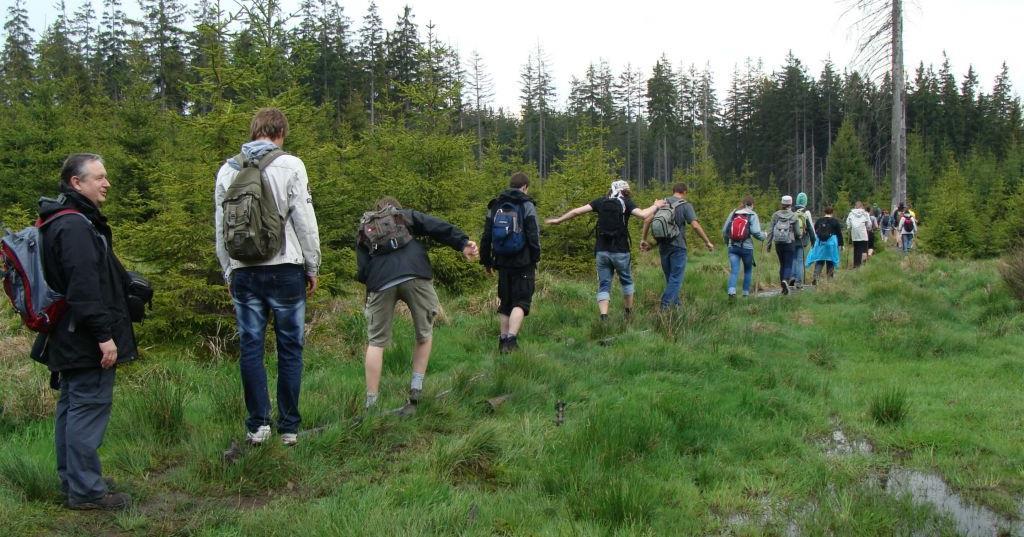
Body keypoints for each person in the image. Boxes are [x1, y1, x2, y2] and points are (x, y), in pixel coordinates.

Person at [29, 154, 137, 510]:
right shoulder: (75, 226)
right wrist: (104, 337)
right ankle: (87, 492)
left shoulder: (58, 220)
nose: (106, 183)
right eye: (99, 177)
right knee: (88, 407)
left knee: (72, 406)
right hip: (83, 336)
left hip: (66, 333)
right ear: (77, 183)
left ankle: (74, 480)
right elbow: (84, 288)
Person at [215, 108, 321, 447]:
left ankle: (257, 426)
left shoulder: (227, 170)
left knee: (251, 347)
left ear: (253, 132)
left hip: (244, 271)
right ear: (281, 134)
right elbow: (304, 219)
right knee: (290, 348)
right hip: (285, 268)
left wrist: (228, 269)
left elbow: (220, 228)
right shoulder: (291, 165)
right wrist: (312, 265)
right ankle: (289, 428)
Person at [357, 197, 478, 415]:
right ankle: (416, 389)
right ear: (395, 208)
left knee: (376, 342)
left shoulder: (366, 229)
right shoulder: (404, 216)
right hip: (416, 273)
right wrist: (462, 243)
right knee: (424, 333)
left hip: (380, 281)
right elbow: (435, 226)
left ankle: (371, 404)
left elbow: (362, 270)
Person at [545, 180, 665, 320]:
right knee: (626, 280)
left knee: (604, 283)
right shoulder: (626, 202)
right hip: (621, 250)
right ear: (625, 191)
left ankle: (604, 317)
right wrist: (656, 205)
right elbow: (644, 215)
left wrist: (559, 220)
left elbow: (577, 211)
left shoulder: (600, 201)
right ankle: (628, 313)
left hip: (602, 250)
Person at [480, 172, 541, 353]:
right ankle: (511, 341)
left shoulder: (496, 205)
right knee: (521, 302)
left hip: (502, 261)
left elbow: (486, 236)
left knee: (505, 302)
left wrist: (486, 261)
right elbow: (533, 234)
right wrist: (535, 257)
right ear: (525, 187)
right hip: (523, 261)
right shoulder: (526, 204)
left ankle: (502, 340)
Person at [639, 182, 714, 309]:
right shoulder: (685, 205)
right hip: (678, 246)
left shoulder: (661, 203)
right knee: (676, 279)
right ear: (684, 192)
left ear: (673, 191)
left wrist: (644, 239)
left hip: (663, 246)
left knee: (671, 279)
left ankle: (677, 306)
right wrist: (707, 241)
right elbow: (695, 225)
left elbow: (646, 220)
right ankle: (665, 306)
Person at [720, 195, 765, 298]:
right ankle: (745, 294)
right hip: (747, 248)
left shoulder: (733, 213)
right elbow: (755, 232)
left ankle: (731, 291)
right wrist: (764, 236)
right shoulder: (752, 214)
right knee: (748, 270)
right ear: (752, 205)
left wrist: (728, 243)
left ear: (742, 203)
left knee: (734, 270)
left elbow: (724, 231)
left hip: (733, 247)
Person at [766, 195, 801, 295]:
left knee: (782, 264)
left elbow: (770, 230)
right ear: (791, 204)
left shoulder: (775, 215)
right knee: (788, 264)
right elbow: (798, 233)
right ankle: (785, 280)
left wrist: (768, 245)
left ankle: (783, 287)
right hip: (789, 243)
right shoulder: (793, 216)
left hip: (778, 243)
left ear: (782, 204)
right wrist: (800, 235)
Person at [806, 206, 844, 284]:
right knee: (830, 261)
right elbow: (839, 234)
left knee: (820, 260)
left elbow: (816, 230)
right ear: (832, 212)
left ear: (824, 212)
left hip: (821, 244)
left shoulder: (820, 220)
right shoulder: (835, 221)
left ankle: (816, 277)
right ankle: (829, 280)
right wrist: (841, 245)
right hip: (831, 245)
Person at [792, 192, 816, 287]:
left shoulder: (792, 211)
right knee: (800, 260)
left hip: (792, 239)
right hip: (802, 240)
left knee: (793, 259)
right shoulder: (806, 212)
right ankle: (799, 281)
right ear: (805, 201)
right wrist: (814, 241)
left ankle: (792, 277)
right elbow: (810, 227)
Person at [846, 201, 872, 268]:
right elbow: (869, 224)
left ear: (855, 206)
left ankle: (856, 264)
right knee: (863, 249)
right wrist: (868, 228)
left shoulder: (851, 214)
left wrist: (849, 228)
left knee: (856, 249)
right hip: (863, 234)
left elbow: (848, 223)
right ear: (861, 206)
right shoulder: (865, 213)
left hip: (855, 234)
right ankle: (863, 264)